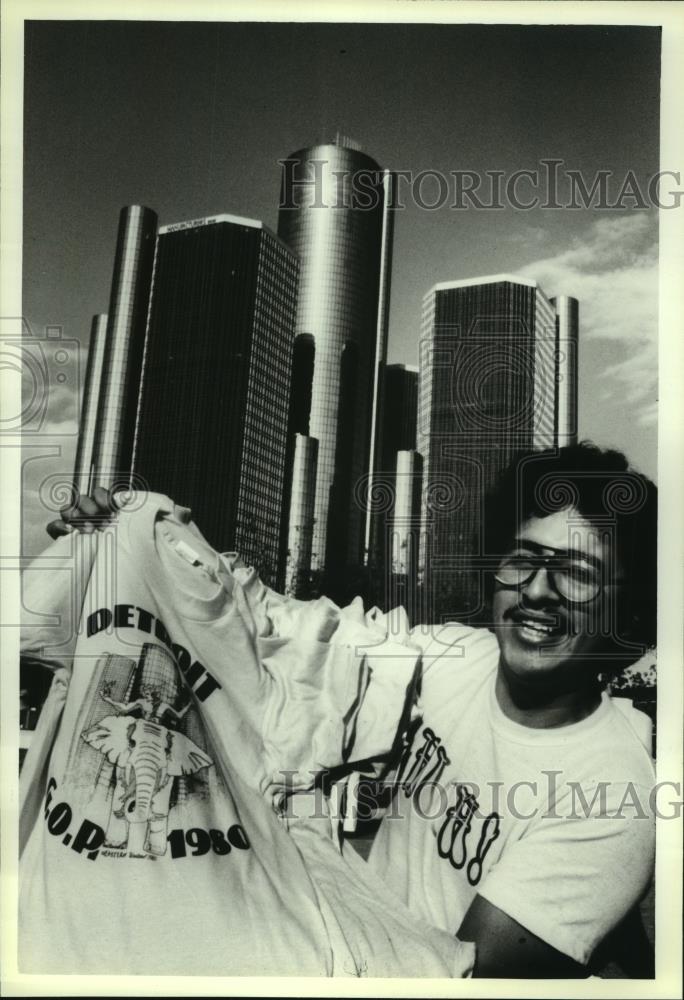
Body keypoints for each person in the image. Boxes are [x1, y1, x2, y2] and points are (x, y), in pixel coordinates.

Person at [45, 442, 657, 978]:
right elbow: (288, 633)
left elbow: (463, 978)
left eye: (578, 574)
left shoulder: (611, 797)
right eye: (523, 560)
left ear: (628, 613)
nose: (538, 591)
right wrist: (148, 548)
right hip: (338, 942)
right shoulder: (456, 658)